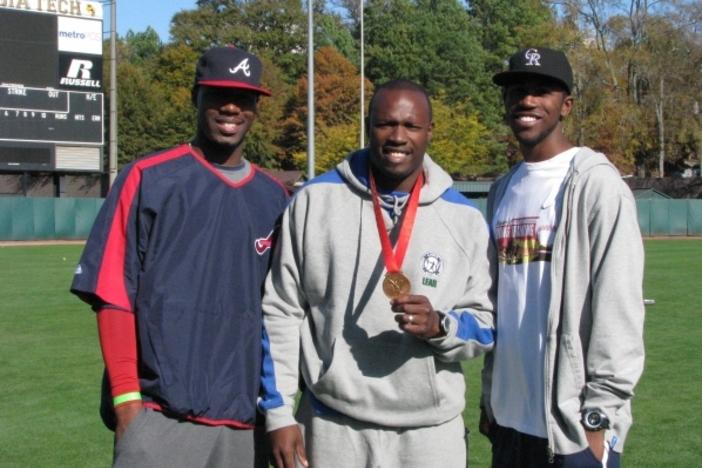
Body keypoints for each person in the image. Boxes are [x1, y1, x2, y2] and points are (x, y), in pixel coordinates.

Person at [258, 79, 495, 468]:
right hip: (332, 426)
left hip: (429, 435)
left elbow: (486, 324)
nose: (398, 136)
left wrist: (440, 326)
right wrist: (280, 413)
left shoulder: (464, 218)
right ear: (368, 126)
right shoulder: (314, 202)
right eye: (386, 124)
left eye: (411, 126)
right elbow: (281, 311)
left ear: (429, 131)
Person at [70, 46, 288, 468]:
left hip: (247, 421)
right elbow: (113, 294)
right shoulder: (149, 178)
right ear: (195, 97)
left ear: (256, 108)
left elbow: (287, 315)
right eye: (218, 94)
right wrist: (127, 403)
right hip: (159, 417)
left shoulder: (274, 198)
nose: (230, 107)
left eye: (243, 98)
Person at [479, 47, 645, 467]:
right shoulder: (503, 189)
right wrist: (489, 399)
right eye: (517, 89)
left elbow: (619, 309)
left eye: (542, 91)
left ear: (565, 105)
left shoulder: (596, 184)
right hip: (510, 423)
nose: (527, 100)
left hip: (572, 428)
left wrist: (599, 417)